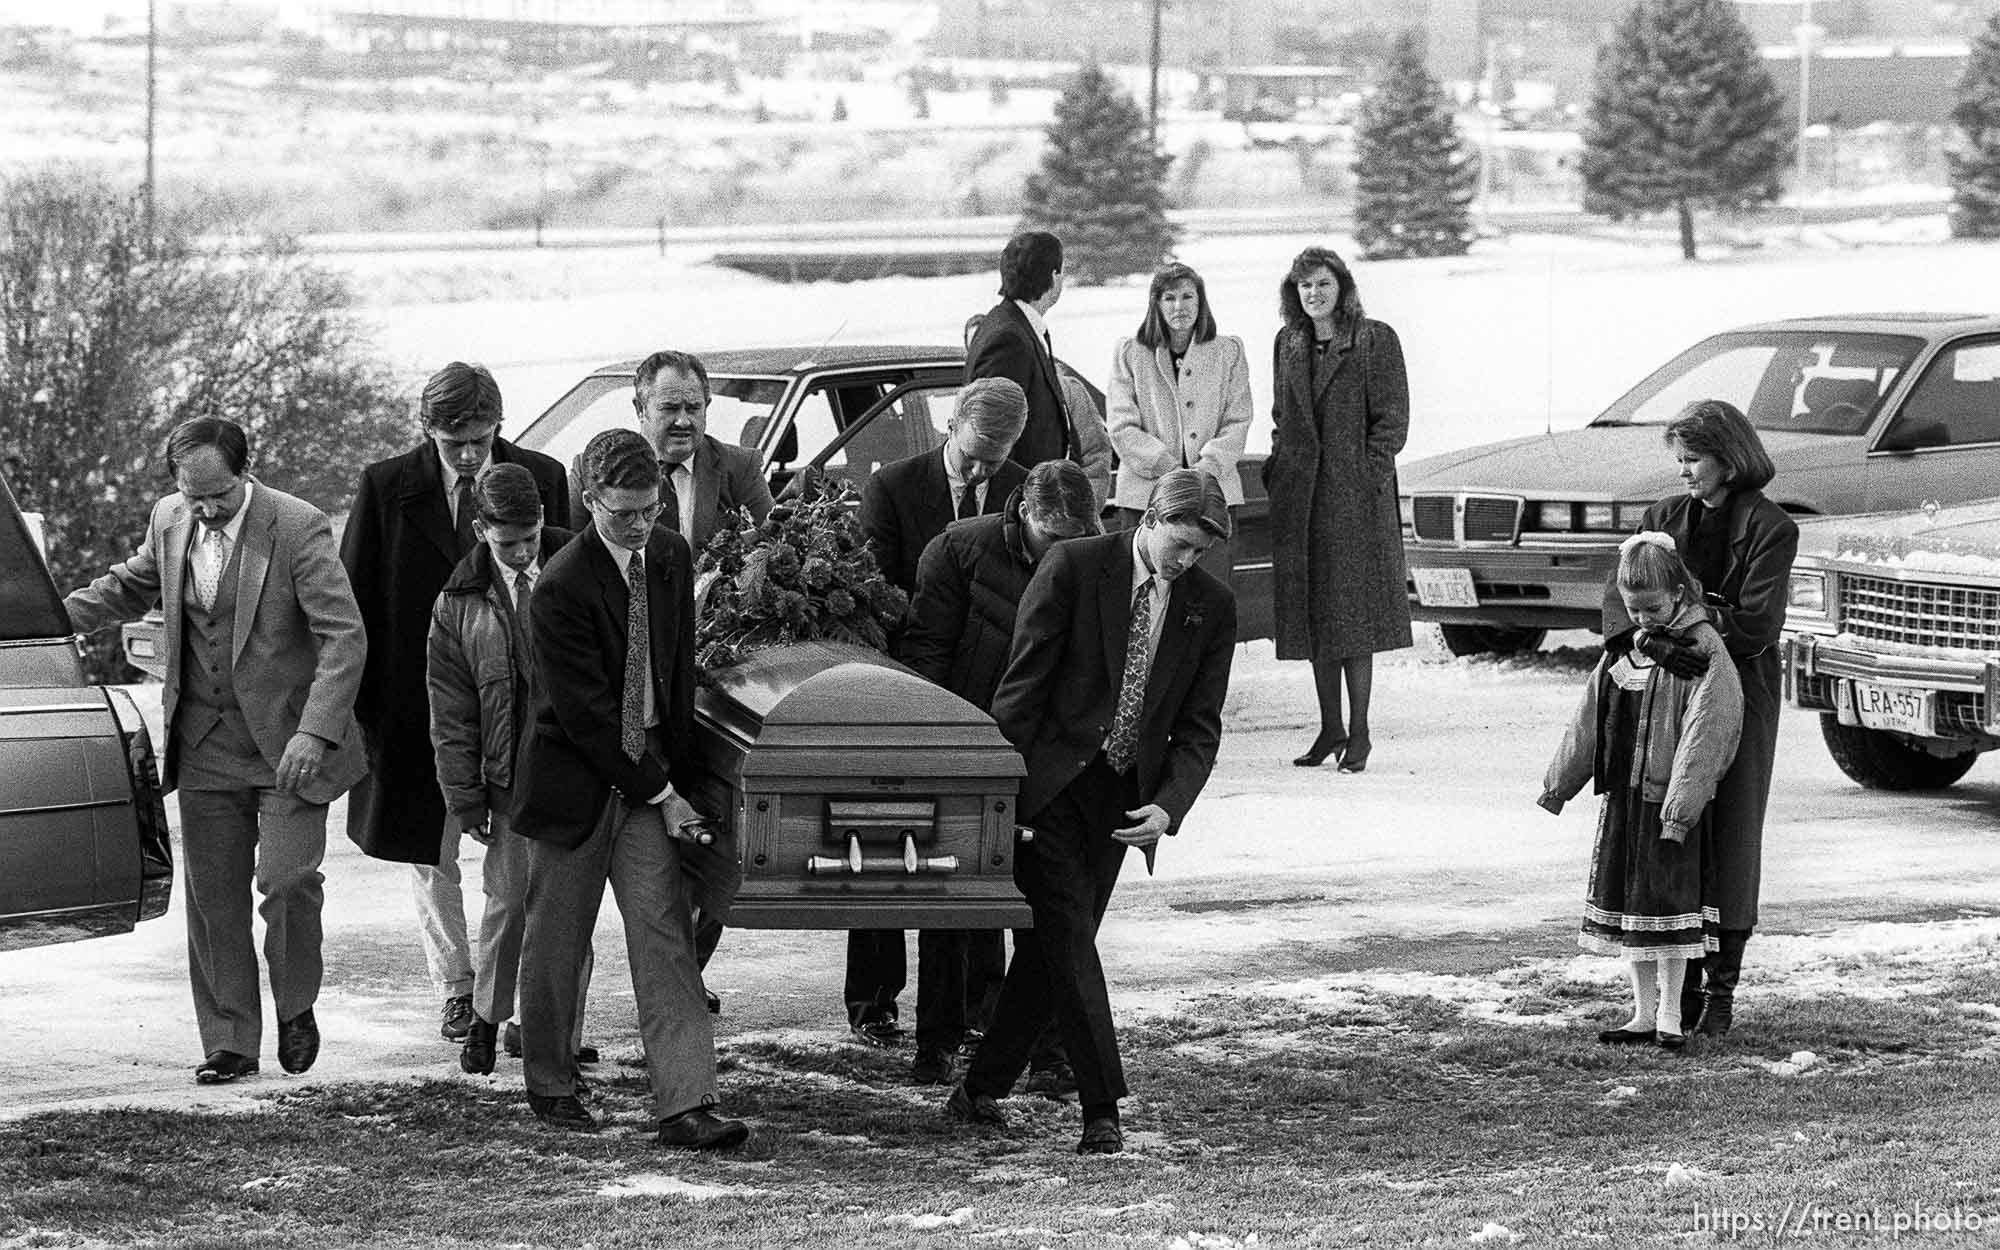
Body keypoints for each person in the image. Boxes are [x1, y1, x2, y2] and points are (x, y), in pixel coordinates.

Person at [64, 417, 368, 1084]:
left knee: (287, 882)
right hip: (203, 747)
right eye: (192, 496)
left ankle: (295, 1005)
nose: (204, 511)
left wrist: (315, 733)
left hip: (290, 747)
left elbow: (345, 639)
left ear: (245, 474)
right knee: (213, 901)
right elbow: (126, 586)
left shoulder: (297, 526)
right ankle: (230, 1041)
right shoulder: (169, 518)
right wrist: (42, 619)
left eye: (218, 498)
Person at [947, 469, 1237, 1155]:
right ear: (1148, 519)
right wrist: (1003, 798)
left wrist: (1168, 808)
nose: (1185, 562)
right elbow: (1022, 691)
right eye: (1180, 544)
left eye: (1199, 552)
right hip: (1048, 790)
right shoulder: (1074, 566)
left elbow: (1200, 726)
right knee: (1073, 942)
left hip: (1124, 799)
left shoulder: (1211, 606)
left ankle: (978, 1088)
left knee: (1053, 957)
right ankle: (1101, 1108)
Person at [512, 428, 748, 1149]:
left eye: (649, 510)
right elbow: (584, 717)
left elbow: (675, 674)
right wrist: (661, 790)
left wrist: (679, 777)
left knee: (664, 936)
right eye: (623, 514)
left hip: (648, 774)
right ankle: (551, 1084)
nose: (640, 525)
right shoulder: (559, 584)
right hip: (577, 782)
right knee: (558, 941)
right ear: (589, 502)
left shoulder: (673, 557)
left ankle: (686, 1104)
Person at [342, 362, 570, 1045]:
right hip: (413, 702)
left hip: (524, 703)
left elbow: (561, 581)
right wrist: (361, 711)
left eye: (479, 438)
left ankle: (521, 994)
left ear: (498, 424)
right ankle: (456, 987)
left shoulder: (545, 477)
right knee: (429, 849)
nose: (468, 455)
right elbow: (357, 598)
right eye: (452, 442)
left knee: (522, 857)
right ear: (426, 430)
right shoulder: (386, 486)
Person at [900, 458, 1101, 1089]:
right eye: (1054, 540)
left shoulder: (1094, 559)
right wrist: (943, 743)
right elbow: (926, 655)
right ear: (1024, 515)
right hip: (965, 741)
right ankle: (936, 1040)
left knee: (1049, 907)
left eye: (1077, 539)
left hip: (1047, 752)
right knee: (948, 901)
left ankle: (1048, 1050)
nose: (1066, 553)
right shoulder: (958, 551)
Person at [1601, 399, 1799, 1037]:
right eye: (1679, 460)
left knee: (1732, 832)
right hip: (1662, 690)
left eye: (1693, 460)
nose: (1683, 472)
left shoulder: (1771, 526)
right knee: (1667, 825)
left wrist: (1688, 631)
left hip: (1739, 686)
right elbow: (1620, 595)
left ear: (1728, 458)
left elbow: (1757, 622)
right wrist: (1641, 640)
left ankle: (1721, 992)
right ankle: (1670, 996)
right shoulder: (1662, 518)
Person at [847, 377, 1029, 1057]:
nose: (983, 470)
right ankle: (873, 999)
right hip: (902, 687)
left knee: (973, 853)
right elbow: (872, 592)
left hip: (984, 698)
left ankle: (979, 998)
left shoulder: (1020, 488)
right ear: (950, 424)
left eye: (996, 457)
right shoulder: (893, 487)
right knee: (884, 843)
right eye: (974, 453)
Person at [1542, 534, 1743, 1051]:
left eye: (1653, 608)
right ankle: (1641, 1012)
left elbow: (1707, 732)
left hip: (1665, 803)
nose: (1645, 618)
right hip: (1627, 800)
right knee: (1636, 912)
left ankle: (1672, 1015)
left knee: (1669, 911)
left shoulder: (1703, 651)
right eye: (1634, 609)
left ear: (1678, 593)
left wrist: (1680, 808)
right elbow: (1588, 719)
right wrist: (1560, 783)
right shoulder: (1628, 649)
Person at [426, 463, 593, 1076]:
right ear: (480, 530)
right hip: (508, 776)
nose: (523, 552)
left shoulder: (577, 570)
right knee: (508, 903)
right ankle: (489, 1019)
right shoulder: (457, 602)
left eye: (531, 537)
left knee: (569, 908)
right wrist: (464, 796)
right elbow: (451, 709)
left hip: (578, 767)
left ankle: (559, 1033)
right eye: (507, 543)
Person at [1266, 245, 1412, 773]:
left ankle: (1362, 732)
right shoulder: (1289, 342)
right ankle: (1330, 727)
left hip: (1355, 501)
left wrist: (1366, 475)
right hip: (1302, 499)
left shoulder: (1374, 339)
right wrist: (1280, 467)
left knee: (1355, 619)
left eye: (1323, 284)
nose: (1314, 294)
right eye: (1305, 286)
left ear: (1342, 287)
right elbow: (1283, 416)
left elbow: (1392, 421)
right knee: (1315, 615)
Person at [1106, 262, 1255, 582]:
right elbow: (1120, 425)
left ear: (1201, 302)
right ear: (1156, 304)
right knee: (1144, 589)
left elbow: (1238, 419)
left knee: (1210, 594)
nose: (1179, 306)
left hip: (1214, 495)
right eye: (1169, 298)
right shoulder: (1130, 352)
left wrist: (1205, 471)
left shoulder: (1228, 351)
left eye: (1188, 297)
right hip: (1144, 497)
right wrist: (1170, 470)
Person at [567, 348, 775, 555]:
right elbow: (568, 557)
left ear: (706, 407)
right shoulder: (594, 469)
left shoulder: (740, 468)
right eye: (670, 408)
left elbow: (769, 548)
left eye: (693, 408)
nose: (683, 421)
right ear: (640, 409)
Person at [961, 312, 1111, 510]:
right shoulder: (962, 407)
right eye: (977, 351)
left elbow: (1095, 457)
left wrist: (1076, 514)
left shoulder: (1067, 392)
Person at [966, 231, 1074, 470]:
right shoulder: (1008, 339)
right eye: (1061, 271)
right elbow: (992, 437)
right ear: (1053, 276)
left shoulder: (1020, 327)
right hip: (1018, 497)